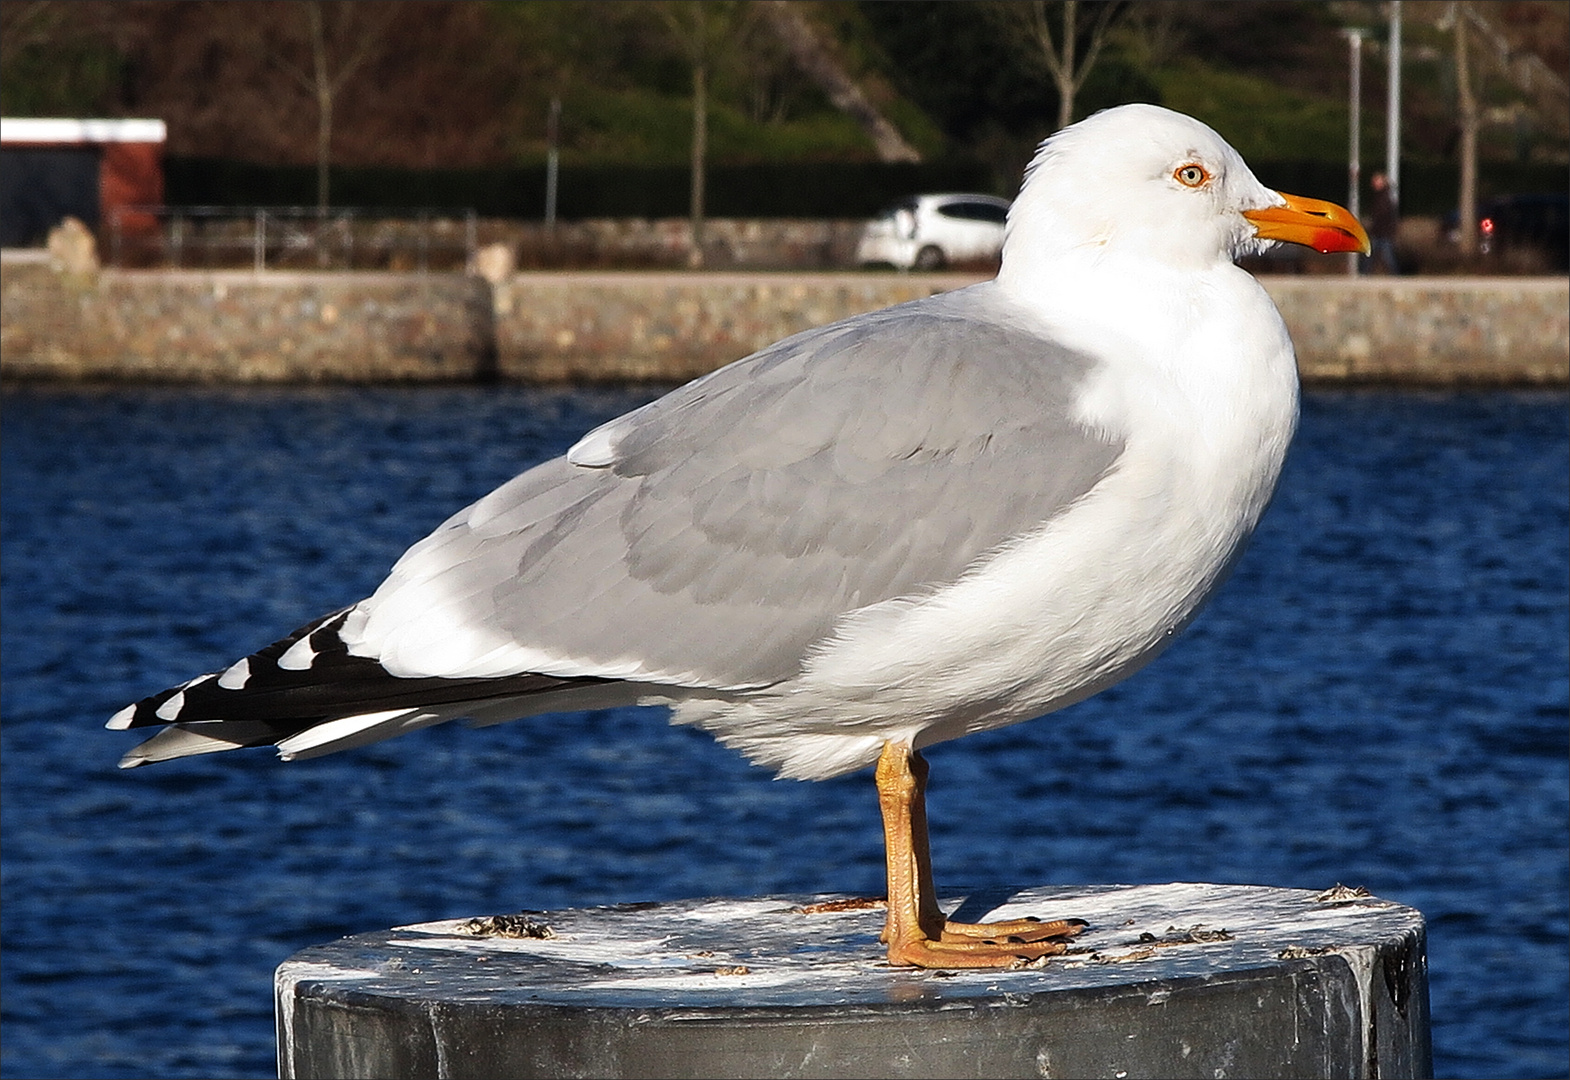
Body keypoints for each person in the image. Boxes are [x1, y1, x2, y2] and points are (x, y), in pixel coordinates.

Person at [1367, 172, 1400, 274]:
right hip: (1380, 231)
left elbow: (1383, 215)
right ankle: (1364, 273)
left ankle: (1395, 274)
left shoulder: (1384, 198)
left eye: (1377, 181)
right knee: (1372, 254)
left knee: (1386, 256)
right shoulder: (1381, 196)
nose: (1374, 184)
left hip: (1383, 232)